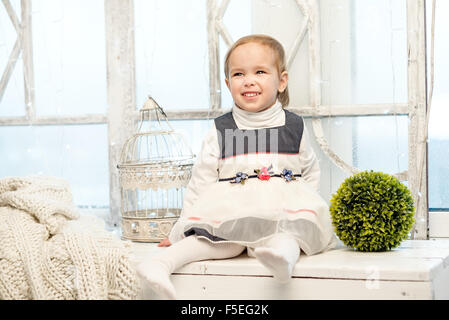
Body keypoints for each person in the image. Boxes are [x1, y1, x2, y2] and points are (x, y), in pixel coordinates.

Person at [136, 34, 336, 299]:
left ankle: (282, 262)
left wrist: (301, 209)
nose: (249, 80)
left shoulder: (295, 127)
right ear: (229, 83)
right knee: (213, 243)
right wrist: (179, 230)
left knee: (288, 235)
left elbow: (309, 170)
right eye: (239, 74)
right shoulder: (221, 130)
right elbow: (200, 181)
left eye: (260, 71)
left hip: (280, 212)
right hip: (230, 212)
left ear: (282, 81)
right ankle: (160, 264)